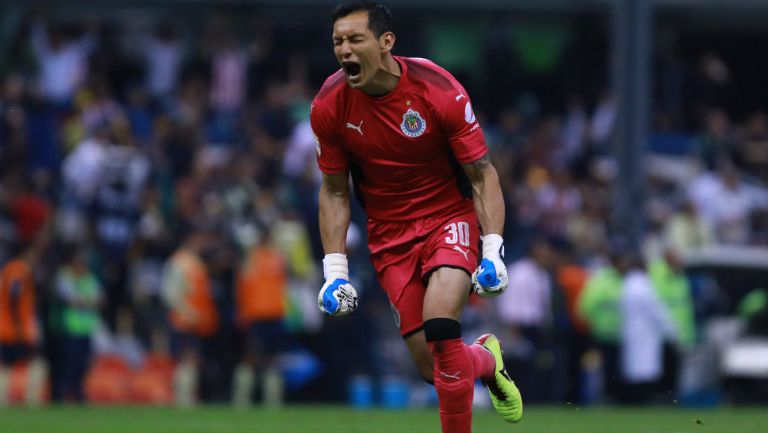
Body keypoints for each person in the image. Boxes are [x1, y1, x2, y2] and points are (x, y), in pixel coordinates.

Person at [311, 2, 521, 431]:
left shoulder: (437, 89)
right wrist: (334, 271)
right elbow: (334, 190)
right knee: (435, 369)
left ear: (386, 42)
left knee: (442, 326)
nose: (345, 50)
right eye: (338, 42)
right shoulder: (329, 105)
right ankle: (485, 358)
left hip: (448, 217)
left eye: (355, 39)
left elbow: (482, 174)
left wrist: (493, 249)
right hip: (389, 236)